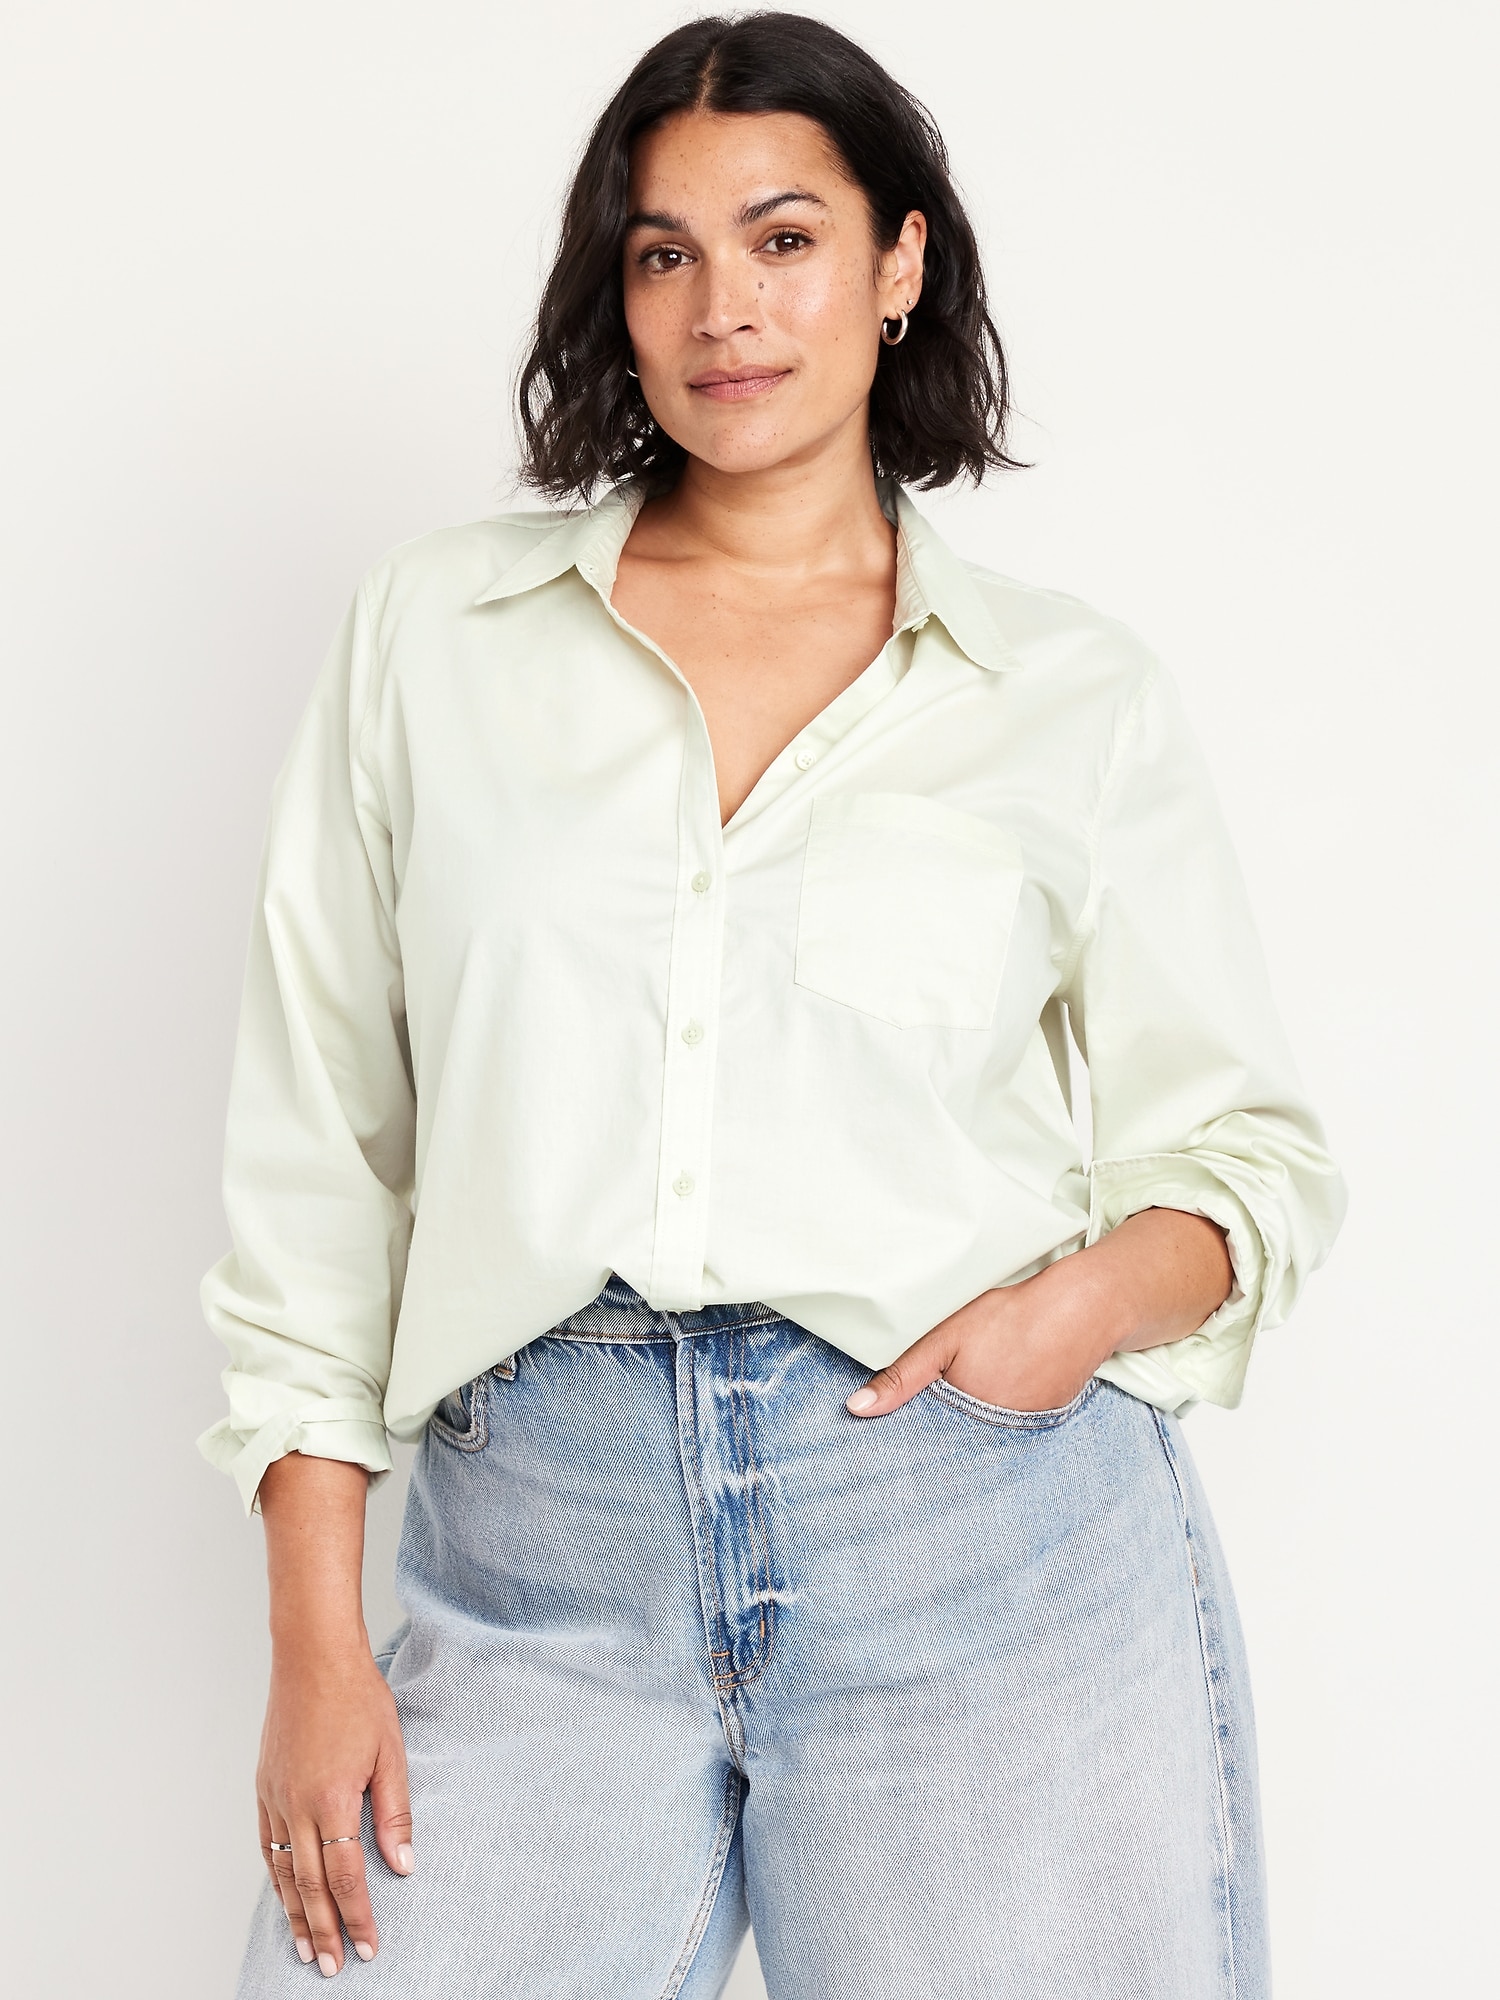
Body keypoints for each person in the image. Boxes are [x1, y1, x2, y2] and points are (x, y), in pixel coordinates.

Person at [200, 13, 1347, 1996]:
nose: (724, 306)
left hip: (973, 1542)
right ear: (618, 296)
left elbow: (1245, 1157)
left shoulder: (1063, 694)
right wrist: (314, 1643)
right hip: (537, 1566)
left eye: (787, 238)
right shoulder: (439, 639)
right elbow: (320, 1158)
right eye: (666, 253)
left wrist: (1066, 1318)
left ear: (901, 264)